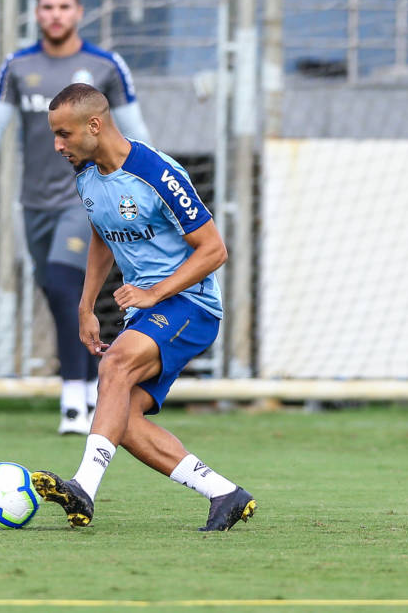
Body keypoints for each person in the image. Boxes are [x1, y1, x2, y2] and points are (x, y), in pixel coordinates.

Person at [29, 83, 256, 531]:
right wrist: (85, 305)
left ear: (94, 125)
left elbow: (214, 249)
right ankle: (225, 494)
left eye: (64, 134)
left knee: (113, 368)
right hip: (151, 312)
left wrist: (154, 292)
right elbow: (101, 233)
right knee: (122, 420)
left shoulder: (156, 172)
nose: (57, 145)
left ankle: (84, 489)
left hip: (191, 306)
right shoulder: (87, 175)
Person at [0, 0, 153, 435]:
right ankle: (90, 388)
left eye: (63, 6)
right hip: (34, 203)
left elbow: (137, 129)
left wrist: (149, 185)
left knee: (69, 285)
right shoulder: (18, 65)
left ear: (78, 12)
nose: (55, 14)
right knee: (54, 288)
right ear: (37, 13)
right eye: (46, 7)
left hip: (88, 198)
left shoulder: (105, 65)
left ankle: (73, 401)